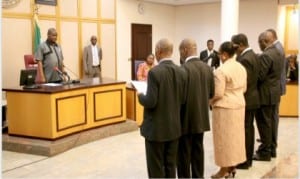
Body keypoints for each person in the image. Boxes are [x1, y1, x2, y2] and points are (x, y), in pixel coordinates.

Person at [138, 38, 187, 178]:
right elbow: (182, 99)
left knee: (156, 167)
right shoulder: (181, 71)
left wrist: (140, 96)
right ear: (171, 52)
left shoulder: (154, 72)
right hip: (174, 129)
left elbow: (151, 101)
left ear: (158, 51)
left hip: (156, 130)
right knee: (170, 165)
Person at [177, 38, 214, 178]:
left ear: (184, 50)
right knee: (198, 150)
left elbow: (178, 97)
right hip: (202, 118)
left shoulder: (182, 69)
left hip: (185, 119)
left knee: (183, 153)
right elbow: (212, 93)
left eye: (180, 51)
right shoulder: (207, 68)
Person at [210, 41, 247, 178]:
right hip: (239, 106)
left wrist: (208, 101)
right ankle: (232, 167)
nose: (219, 56)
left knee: (224, 140)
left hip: (224, 109)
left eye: (220, 54)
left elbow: (218, 93)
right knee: (235, 139)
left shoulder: (221, 70)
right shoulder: (241, 67)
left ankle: (223, 170)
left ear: (225, 55)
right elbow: (244, 88)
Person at [231, 34, 260, 169]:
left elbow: (244, 81)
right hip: (253, 98)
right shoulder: (253, 55)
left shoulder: (245, 59)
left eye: (234, 46)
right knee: (249, 129)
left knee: (245, 130)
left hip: (247, 99)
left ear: (240, 44)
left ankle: (244, 161)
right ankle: (247, 159)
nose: (233, 49)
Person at [253, 32, 283, 161]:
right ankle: (271, 149)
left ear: (264, 41)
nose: (259, 45)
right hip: (274, 93)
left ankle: (265, 152)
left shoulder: (266, 55)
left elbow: (260, 76)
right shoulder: (278, 52)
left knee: (264, 124)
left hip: (265, 94)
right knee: (270, 123)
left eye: (259, 43)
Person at [265, 29, 286, 158]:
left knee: (273, 117)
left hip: (274, 87)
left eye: (266, 40)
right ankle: (271, 142)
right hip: (276, 87)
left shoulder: (277, 49)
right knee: (273, 117)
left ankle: (272, 143)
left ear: (272, 37)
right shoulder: (279, 47)